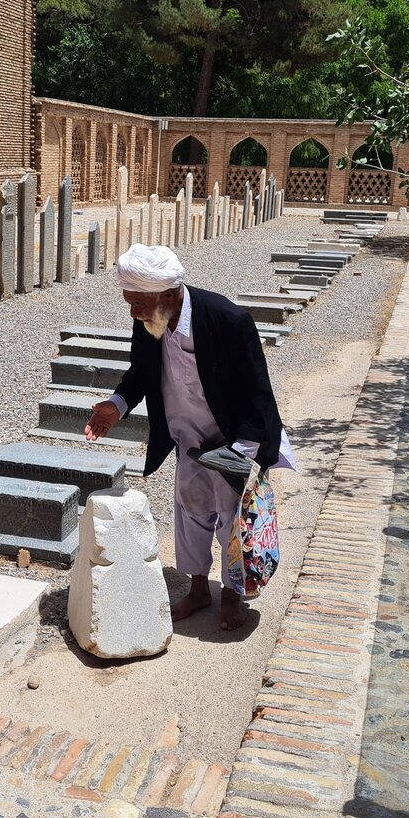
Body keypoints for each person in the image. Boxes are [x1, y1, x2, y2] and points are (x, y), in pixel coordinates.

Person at [85, 244, 288, 631]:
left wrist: (243, 454)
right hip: (187, 433)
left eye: (137, 303)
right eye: (129, 302)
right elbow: (141, 372)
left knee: (232, 517)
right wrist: (117, 403)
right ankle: (198, 588)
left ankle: (232, 593)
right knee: (191, 509)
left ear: (167, 294)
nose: (133, 312)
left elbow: (257, 392)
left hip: (231, 436)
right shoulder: (151, 318)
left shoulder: (227, 320)